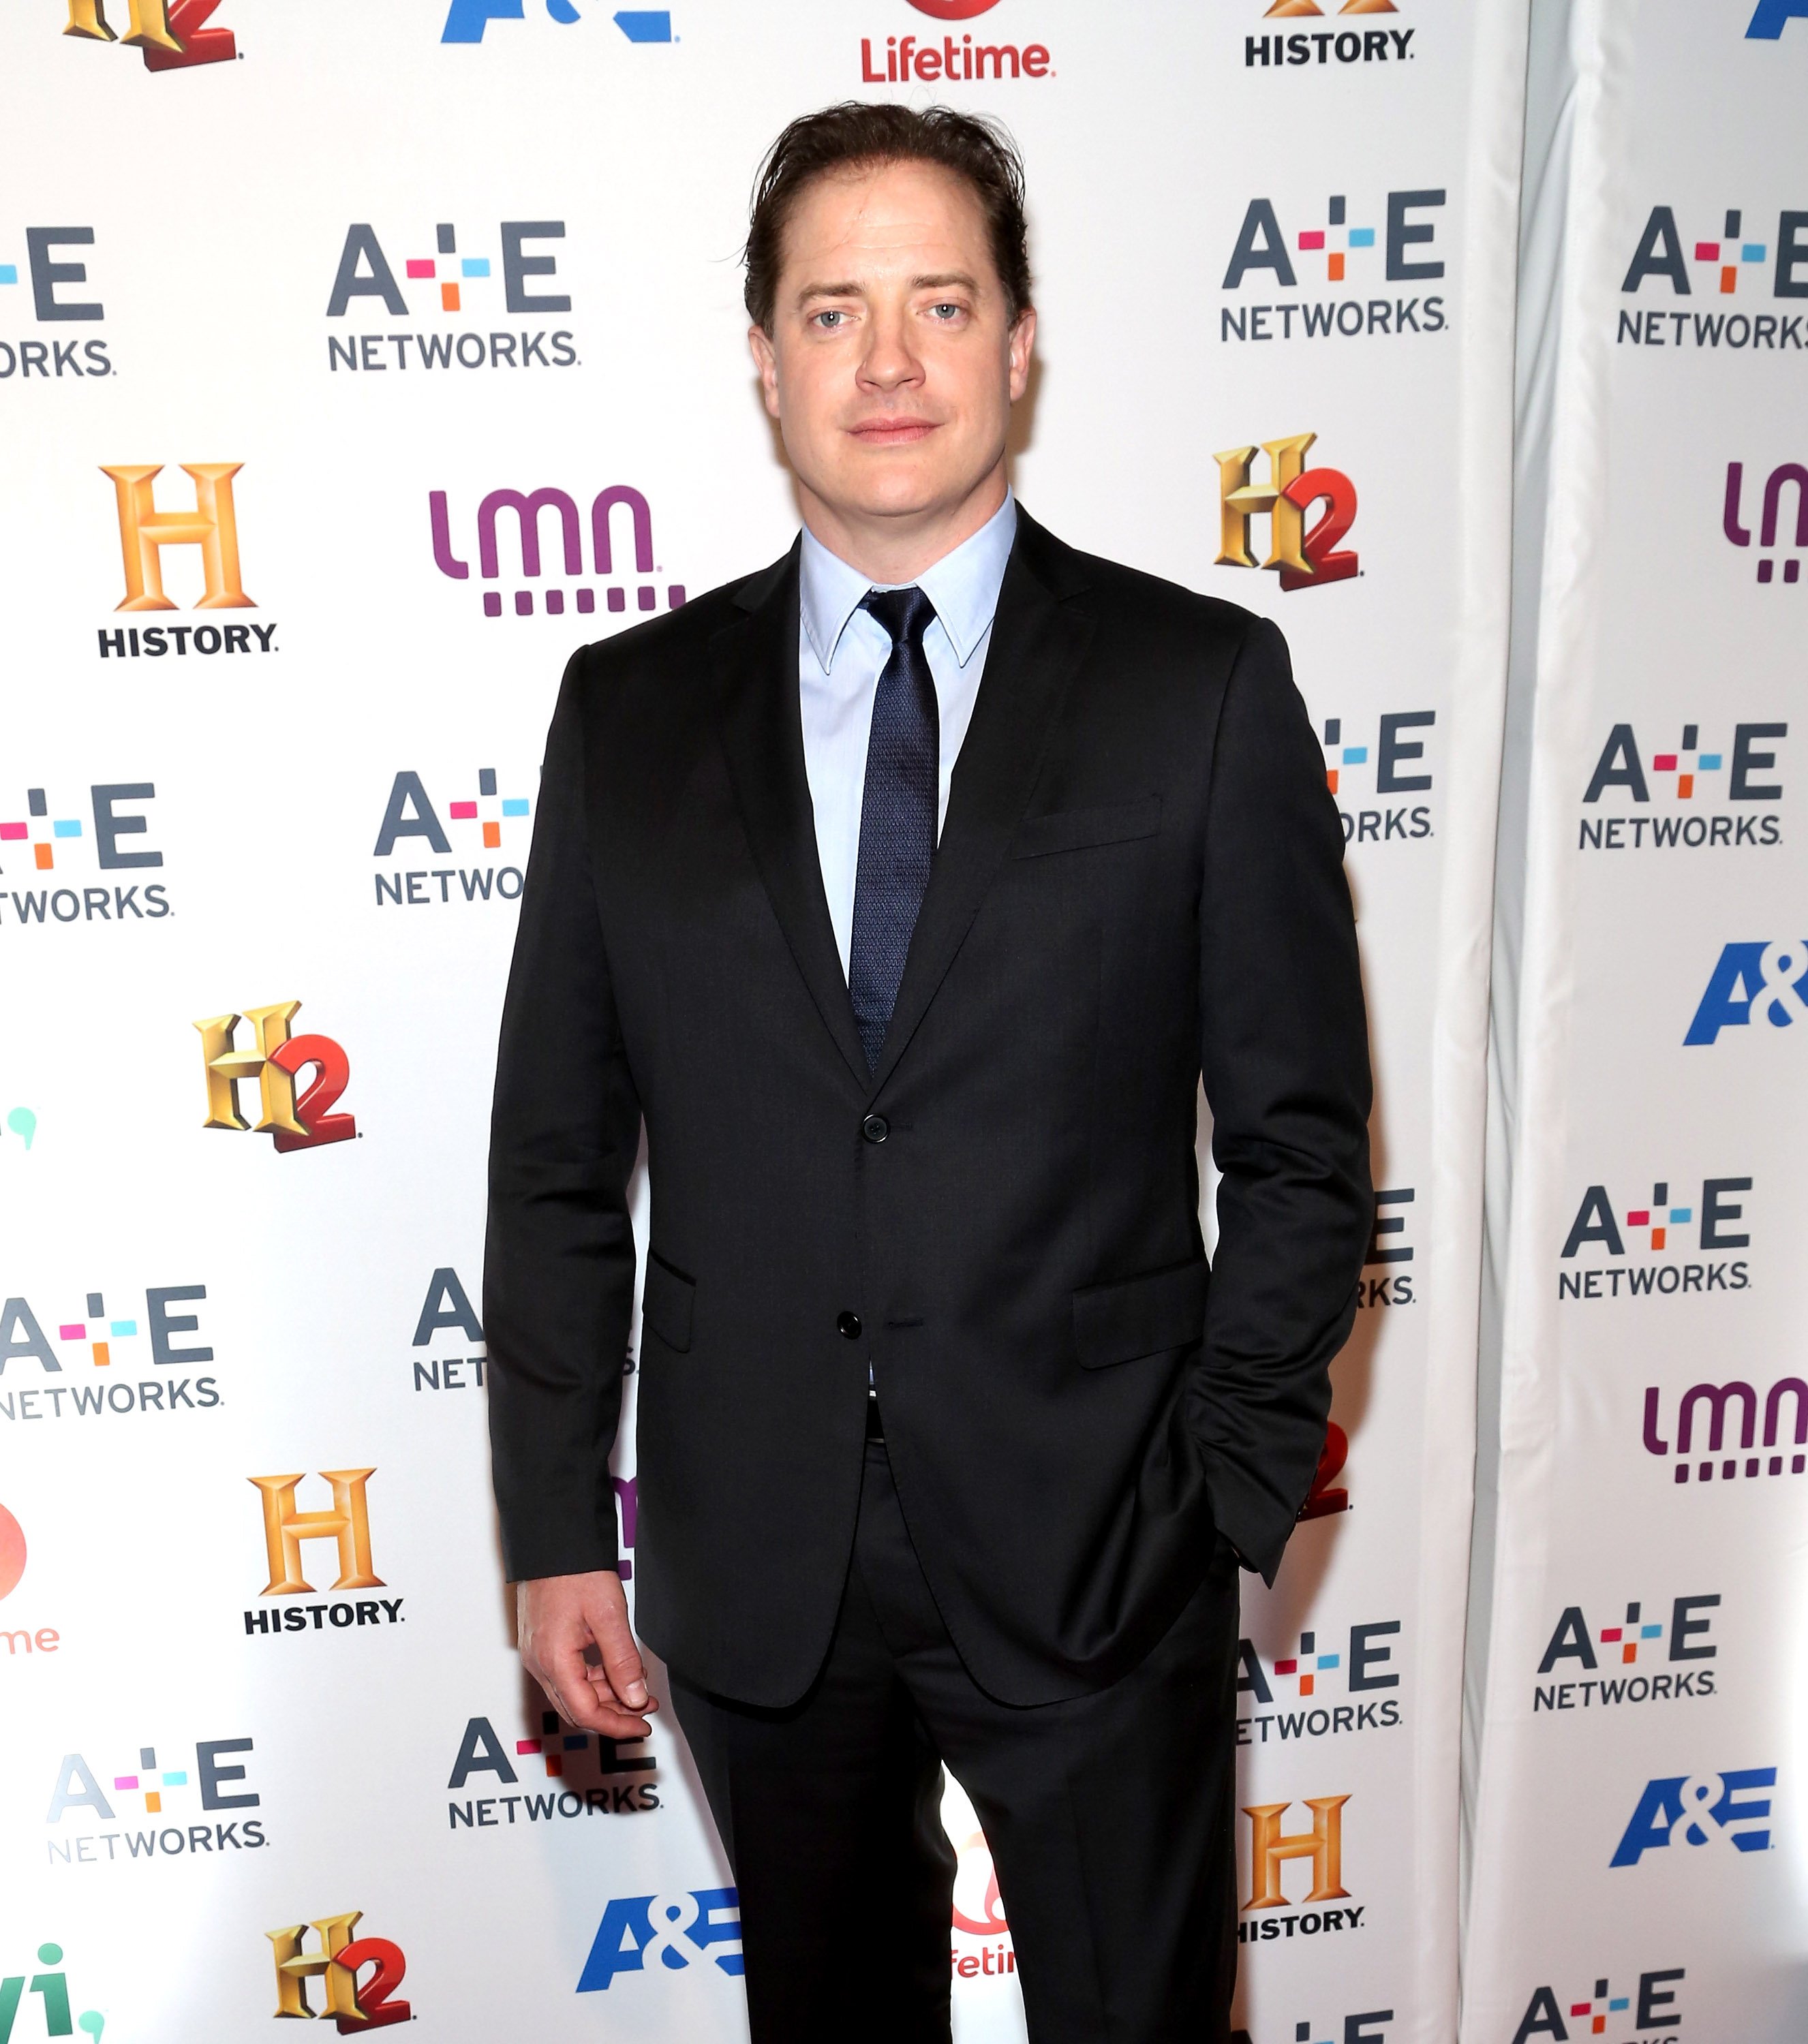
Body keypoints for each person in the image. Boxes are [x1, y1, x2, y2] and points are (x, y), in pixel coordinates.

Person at [485, 101, 1372, 2044]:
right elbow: (558, 1155)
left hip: (1097, 1544)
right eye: (833, 310)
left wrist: (1220, 1490)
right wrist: (558, 1521)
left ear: (1022, 342)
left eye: (940, 302)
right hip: (755, 1555)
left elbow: (1305, 1148)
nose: (888, 362)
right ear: (763, 360)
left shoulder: (1197, 690)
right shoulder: (624, 715)